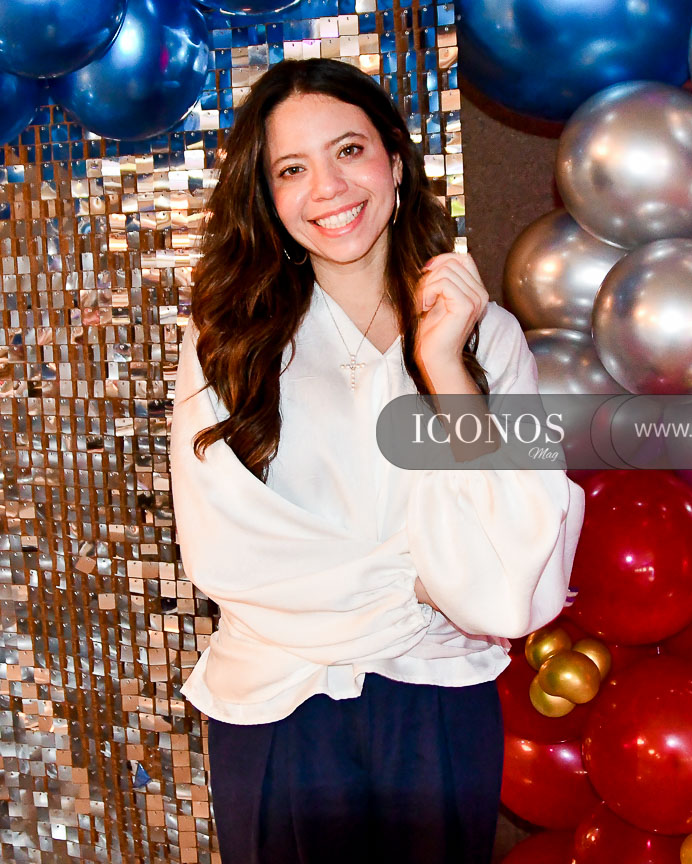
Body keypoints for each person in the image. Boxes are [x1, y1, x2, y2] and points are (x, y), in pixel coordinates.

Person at [168, 57, 585, 864]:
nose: (328, 188)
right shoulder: (227, 340)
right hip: (277, 707)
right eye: (293, 169)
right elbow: (228, 552)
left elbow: (523, 558)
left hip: (438, 702)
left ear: (394, 161)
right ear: (268, 195)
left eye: (349, 151)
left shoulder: (490, 337)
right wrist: (427, 586)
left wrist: (444, 366)